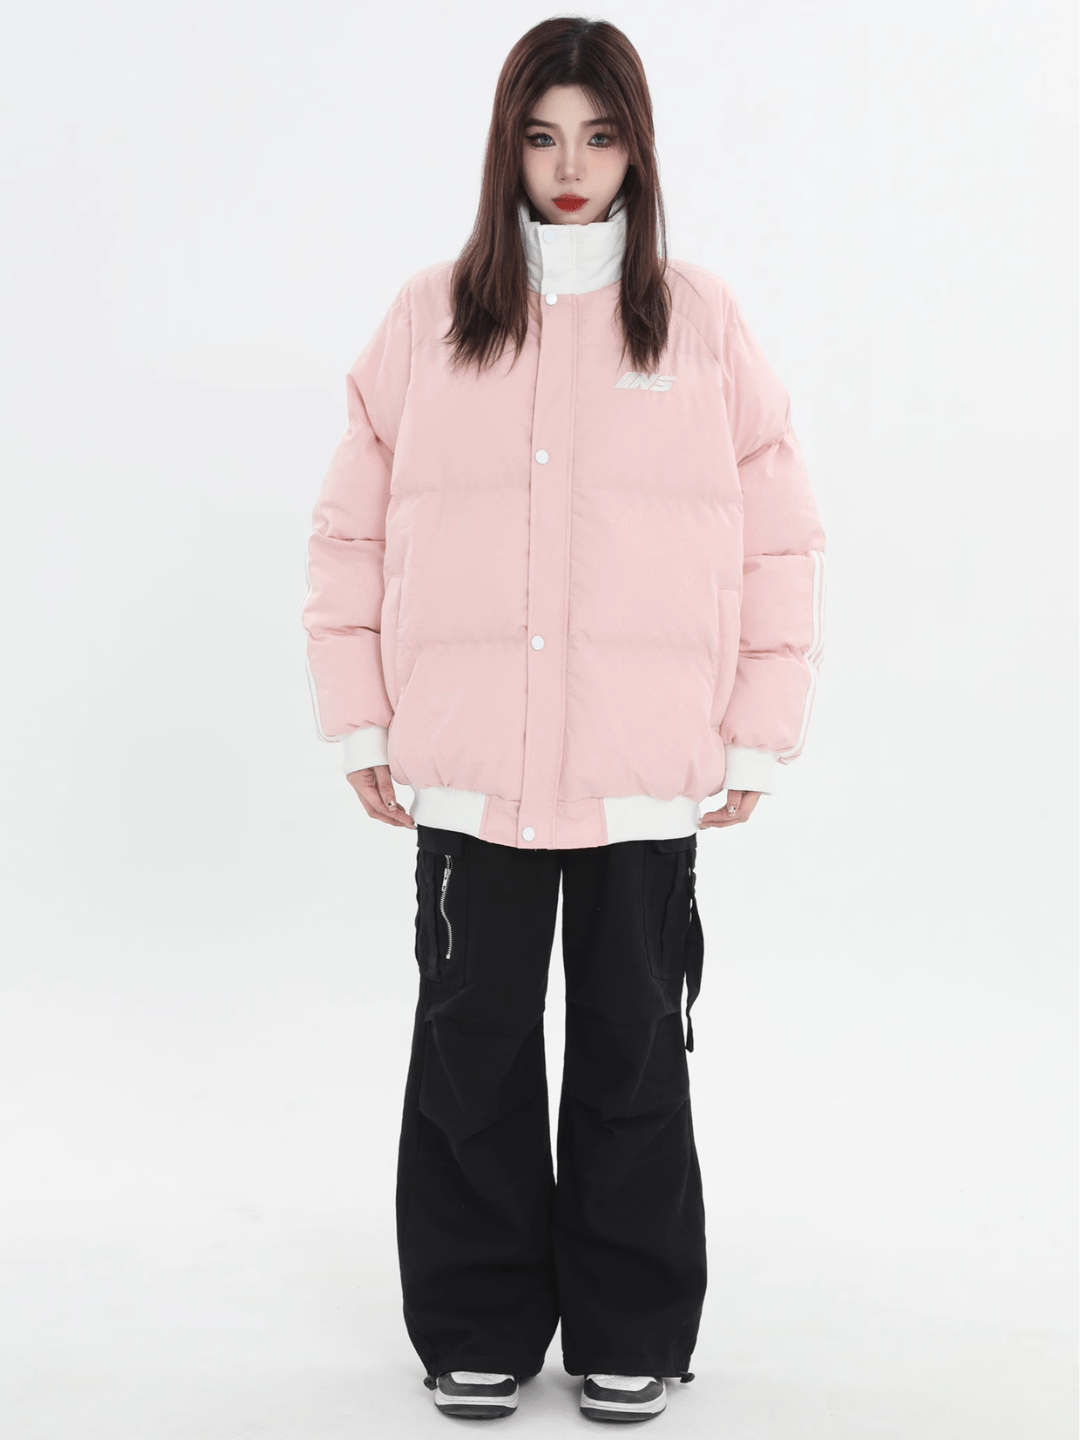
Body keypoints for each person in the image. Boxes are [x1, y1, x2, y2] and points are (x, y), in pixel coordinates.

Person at [301, 16, 826, 1425]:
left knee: (631, 1051)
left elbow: (781, 534)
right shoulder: (431, 315)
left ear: (637, 149)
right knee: (469, 1051)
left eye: (599, 136)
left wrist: (757, 729)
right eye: (543, 137)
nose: (571, 165)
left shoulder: (699, 320)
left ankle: (629, 1324)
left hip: (641, 772)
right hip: (469, 769)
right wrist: (362, 723)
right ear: (507, 150)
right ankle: (473, 1323)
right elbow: (348, 530)